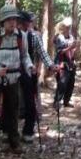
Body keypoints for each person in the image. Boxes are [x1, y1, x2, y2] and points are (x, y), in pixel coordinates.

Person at [0, 4, 34, 152]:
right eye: (9, 19)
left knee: (13, 110)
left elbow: (25, 56)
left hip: (13, 78)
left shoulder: (21, 36)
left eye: (14, 19)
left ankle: (14, 142)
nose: (12, 22)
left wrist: (30, 66)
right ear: (3, 21)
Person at [18, 11, 55, 142]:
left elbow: (42, 53)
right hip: (12, 73)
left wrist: (50, 65)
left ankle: (28, 131)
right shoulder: (12, 35)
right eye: (27, 22)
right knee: (10, 102)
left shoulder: (34, 36)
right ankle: (8, 130)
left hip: (29, 72)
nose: (29, 24)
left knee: (30, 102)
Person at [52, 18, 77, 111]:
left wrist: (74, 48)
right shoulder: (59, 37)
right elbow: (59, 51)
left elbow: (73, 50)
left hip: (71, 63)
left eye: (69, 26)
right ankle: (57, 101)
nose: (68, 28)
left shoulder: (71, 37)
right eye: (66, 26)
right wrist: (70, 47)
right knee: (62, 83)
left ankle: (66, 101)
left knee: (71, 83)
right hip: (61, 63)